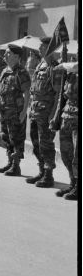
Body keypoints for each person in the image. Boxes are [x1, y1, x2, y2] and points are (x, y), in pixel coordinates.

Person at [25, 37, 61, 188]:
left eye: (43, 47)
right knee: (36, 142)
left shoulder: (55, 68)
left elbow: (58, 94)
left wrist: (54, 115)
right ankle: (41, 170)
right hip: (36, 111)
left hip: (46, 113)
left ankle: (48, 175)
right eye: (40, 46)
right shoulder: (40, 65)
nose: (39, 48)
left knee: (46, 143)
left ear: (50, 49)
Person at [0, 44, 31, 176]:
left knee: (16, 138)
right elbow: (1, 90)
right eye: (5, 53)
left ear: (16, 56)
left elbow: (27, 93)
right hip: (4, 111)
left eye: (8, 53)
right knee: (7, 137)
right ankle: (10, 162)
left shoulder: (21, 72)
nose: (5, 55)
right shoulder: (5, 71)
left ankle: (16, 166)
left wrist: (23, 112)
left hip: (16, 112)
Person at [50, 58, 78, 200]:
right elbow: (63, 97)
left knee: (78, 156)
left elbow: (76, 65)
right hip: (67, 117)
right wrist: (56, 117)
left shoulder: (74, 68)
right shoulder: (72, 73)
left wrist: (62, 65)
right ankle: (73, 183)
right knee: (66, 154)